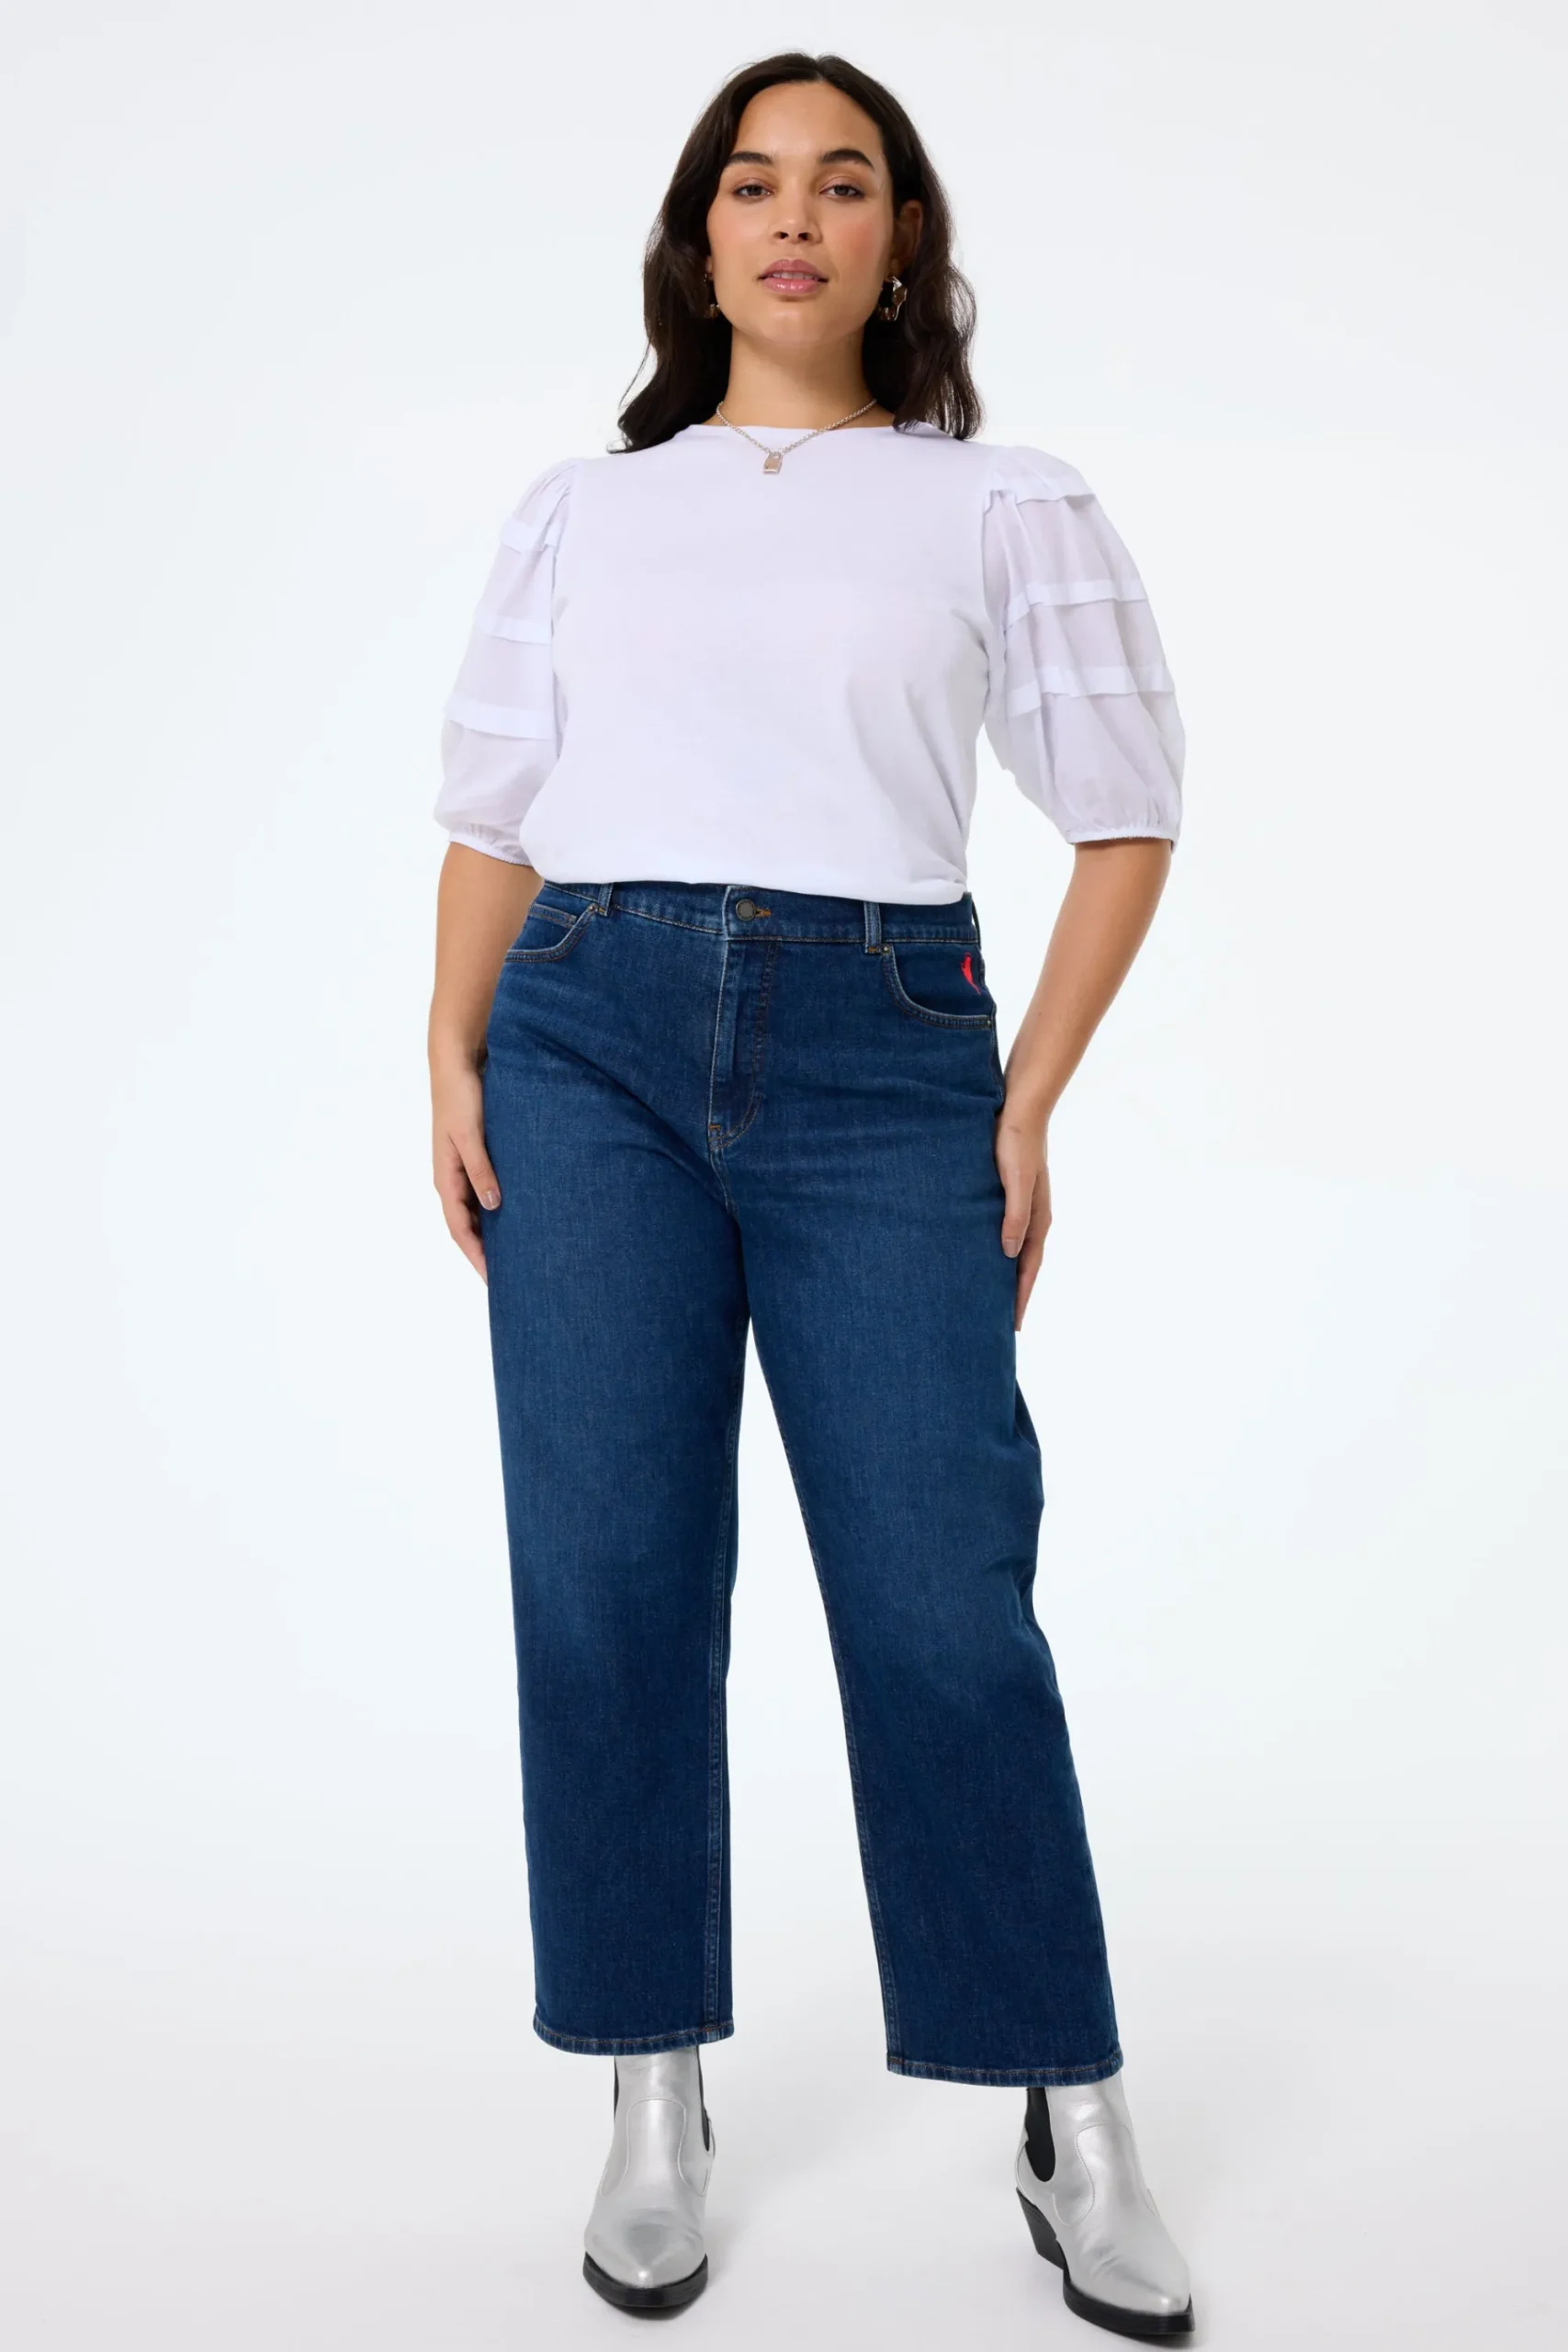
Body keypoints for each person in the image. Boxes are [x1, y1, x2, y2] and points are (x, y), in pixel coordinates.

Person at [426, 50, 1195, 2340]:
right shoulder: (586, 509)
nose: (793, 217)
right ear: (699, 239)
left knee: (944, 1598)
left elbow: (1125, 808)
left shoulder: (997, 502)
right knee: (607, 1580)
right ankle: (651, 2082)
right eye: (751, 183)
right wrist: (447, 1046)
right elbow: (496, 803)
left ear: (897, 240)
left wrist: (1025, 1099)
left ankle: (1068, 2103)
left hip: (884, 1052)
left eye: (841, 183)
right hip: (582, 1040)